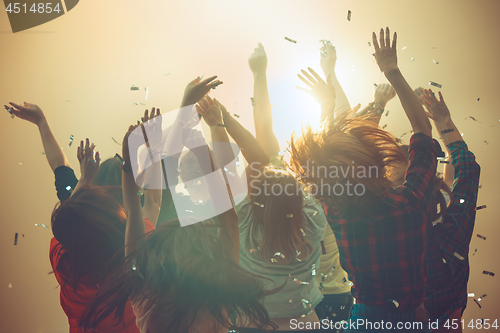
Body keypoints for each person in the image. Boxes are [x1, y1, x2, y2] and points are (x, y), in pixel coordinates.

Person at [80, 103, 277, 333]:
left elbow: (134, 211)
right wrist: (201, 151)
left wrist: (128, 163)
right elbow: (230, 221)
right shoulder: (220, 293)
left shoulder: (146, 299)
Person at [290, 28, 436, 332]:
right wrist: (392, 71)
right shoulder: (411, 203)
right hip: (414, 320)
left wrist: (326, 105)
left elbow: (326, 163)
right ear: (378, 163)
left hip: (364, 321)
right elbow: (422, 129)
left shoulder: (340, 213)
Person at [7, 102, 161, 332]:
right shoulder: (137, 246)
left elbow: (61, 172)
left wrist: (42, 123)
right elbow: (153, 201)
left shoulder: (65, 256)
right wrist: (152, 150)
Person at [196, 95, 327, 332]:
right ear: (299, 198)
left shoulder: (244, 222)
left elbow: (229, 173)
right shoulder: (314, 219)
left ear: (255, 199)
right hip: (306, 324)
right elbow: (271, 170)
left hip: (252, 324)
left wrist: (218, 124)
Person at [421, 89, 480, 332]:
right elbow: (466, 170)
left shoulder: (395, 232)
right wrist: (444, 123)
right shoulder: (453, 231)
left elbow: (454, 179)